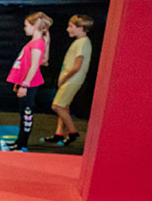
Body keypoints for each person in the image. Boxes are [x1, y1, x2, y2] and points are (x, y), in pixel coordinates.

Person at [44, 14, 93, 146]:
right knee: (64, 106)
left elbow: (77, 66)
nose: (68, 29)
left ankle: (73, 132)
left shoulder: (82, 43)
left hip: (72, 80)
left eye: (71, 26)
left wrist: (64, 78)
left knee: (57, 106)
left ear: (81, 28)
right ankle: (59, 133)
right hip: (71, 79)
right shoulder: (79, 42)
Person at [6, 12, 52, 150]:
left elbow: (34, 65)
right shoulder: (34, 42)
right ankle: (19, 141)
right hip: (25, 82)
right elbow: (25, 64)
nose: (25, 28)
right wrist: (18, 82)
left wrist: (25, 85)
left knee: (26, 113)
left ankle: (22, 143)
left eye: (27, 26)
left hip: (30, 84)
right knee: (23, 113)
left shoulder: (37, 44)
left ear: (35, 26)